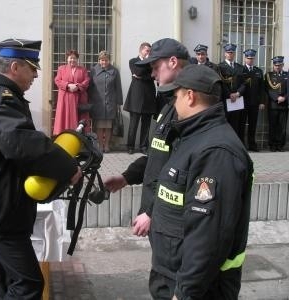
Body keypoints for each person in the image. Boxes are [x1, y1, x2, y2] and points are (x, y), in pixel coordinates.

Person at [0, 38, 82, 299]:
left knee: (11, 278)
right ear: (16, 67)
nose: (36, 75)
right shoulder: (2, 101)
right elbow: (22, 144)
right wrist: (68, 167)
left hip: (2, 207)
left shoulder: (1, 95)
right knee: (29, 284)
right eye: (32, 68)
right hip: (0, 212)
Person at [151, 64, 253, 299]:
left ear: (190, 96)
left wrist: (185, 292)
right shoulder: (193, 137)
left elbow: (207, 237)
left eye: (175, 96)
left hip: (196, 288)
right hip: (171, 274)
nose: (173, 104)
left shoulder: (216, 151)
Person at [104, 38, 190, 298]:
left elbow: (179, 173)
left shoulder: (187, 112)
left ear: (173, 62)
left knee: (172, 284)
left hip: (171, 221)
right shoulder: (168, 105)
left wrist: (152, 212)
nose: (152, 74)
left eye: (155, 67)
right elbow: (157, 155)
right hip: (160, 222)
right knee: (161, 280)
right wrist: (127, 177)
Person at [123, 42, 157, 154]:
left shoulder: (152, 62)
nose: (149, 53)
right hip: (136, 98)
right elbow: (137, 71)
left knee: (146, 125)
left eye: (150, 51)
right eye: (147, 51)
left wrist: (142, 76)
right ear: (141, 50)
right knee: (133, 124)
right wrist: (145, 67)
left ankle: (144, 147)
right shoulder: (133, 61)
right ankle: (130, 146)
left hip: (149, 97)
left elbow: (153, 76)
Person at [88, 50, 123, 153]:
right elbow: (90, 87)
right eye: (102, 60)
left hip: (110, 103)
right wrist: (89, 100)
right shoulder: (93, 70)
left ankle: (106, 145)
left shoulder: (114, 71)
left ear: (109, 60)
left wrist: (119, 102)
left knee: (108, 126)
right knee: (99, 126)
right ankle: (100, 144)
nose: (104, 62)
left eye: (106, 60)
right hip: (97, 103)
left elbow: (118, 88)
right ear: (99, 60)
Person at [53, 49, 90, 135]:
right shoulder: (61, 69)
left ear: (77, 59)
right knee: (64, 118)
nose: (72, 60)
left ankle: (78, 140)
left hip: (79, 99)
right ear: (67, 59)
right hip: (64, 99)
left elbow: (87, 80)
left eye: (74, 58)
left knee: (79, 120)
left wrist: (77, 86)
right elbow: (57, 80)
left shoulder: (83, 70)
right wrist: (68, 85)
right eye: (70, 58)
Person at [218, 43, 246, 141]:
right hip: (226, 100)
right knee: (225, 123)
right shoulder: (220, 67)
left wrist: (238, 93)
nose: (230, 54)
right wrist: (229, 94)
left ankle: (235, 144)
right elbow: (221, 84)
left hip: (237, 100)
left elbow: (244, 84)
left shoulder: (240, 67)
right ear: (225, 54)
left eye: (232, 52)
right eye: (228, 52)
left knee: (236, 123)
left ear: (234, 54)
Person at [242, 49, 265, 152]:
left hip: (254, 103)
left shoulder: (258, 71)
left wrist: (262, 102)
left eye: (252, 58)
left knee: (253, 124)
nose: (250, 60)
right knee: (241, 124)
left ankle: (252, 144)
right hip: (242, 102)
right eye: (248, 58)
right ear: (245, 58)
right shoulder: (241, 70)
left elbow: (262, 89)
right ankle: (242, 145)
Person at [265, 56, 288, 152]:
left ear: (282, 65)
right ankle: (272, 145)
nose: (277, 67)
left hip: (284, 104)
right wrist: (277, 98)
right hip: (273, 105)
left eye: (279, 65)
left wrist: (284, 98)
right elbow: (268, 89)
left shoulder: (287, 75)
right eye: (275, 65)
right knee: (273, 125)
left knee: (282, 127)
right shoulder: (269, 75)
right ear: (273, 65)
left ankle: (280, 145)